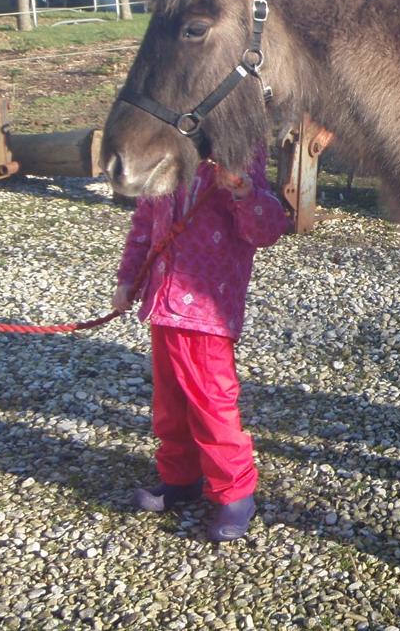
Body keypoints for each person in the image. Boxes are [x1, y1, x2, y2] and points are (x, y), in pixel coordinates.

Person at [114, 147, 289, 541]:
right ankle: (180, 477)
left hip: (207, 309)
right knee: (169, 403)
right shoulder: (163, 152)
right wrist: (129, 278)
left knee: (212, 404)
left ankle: (235, 493)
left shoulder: (237, 153)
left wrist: (243, 192)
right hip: (163, 303)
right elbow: (144, 221)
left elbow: (266, 230)